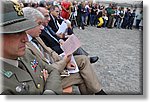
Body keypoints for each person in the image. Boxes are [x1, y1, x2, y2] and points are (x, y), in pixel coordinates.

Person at [23, 7, 107, 95]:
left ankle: (98, 93)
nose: (42, 27)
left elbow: (50, 51)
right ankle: (99, 93)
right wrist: (64, 62)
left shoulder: (35, 37)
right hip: (48, 79)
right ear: (27, 24)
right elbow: (43, 71)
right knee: (83, 76)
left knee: (83, 59)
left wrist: (63, 60)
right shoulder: (24, 45)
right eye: (39, 23)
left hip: (54, 63)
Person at [0, 0, 62, 95]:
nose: (26, 39)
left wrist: (49, 91)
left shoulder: (25, 53)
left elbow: (53, 70)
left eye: (24, 31)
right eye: (17, 33)